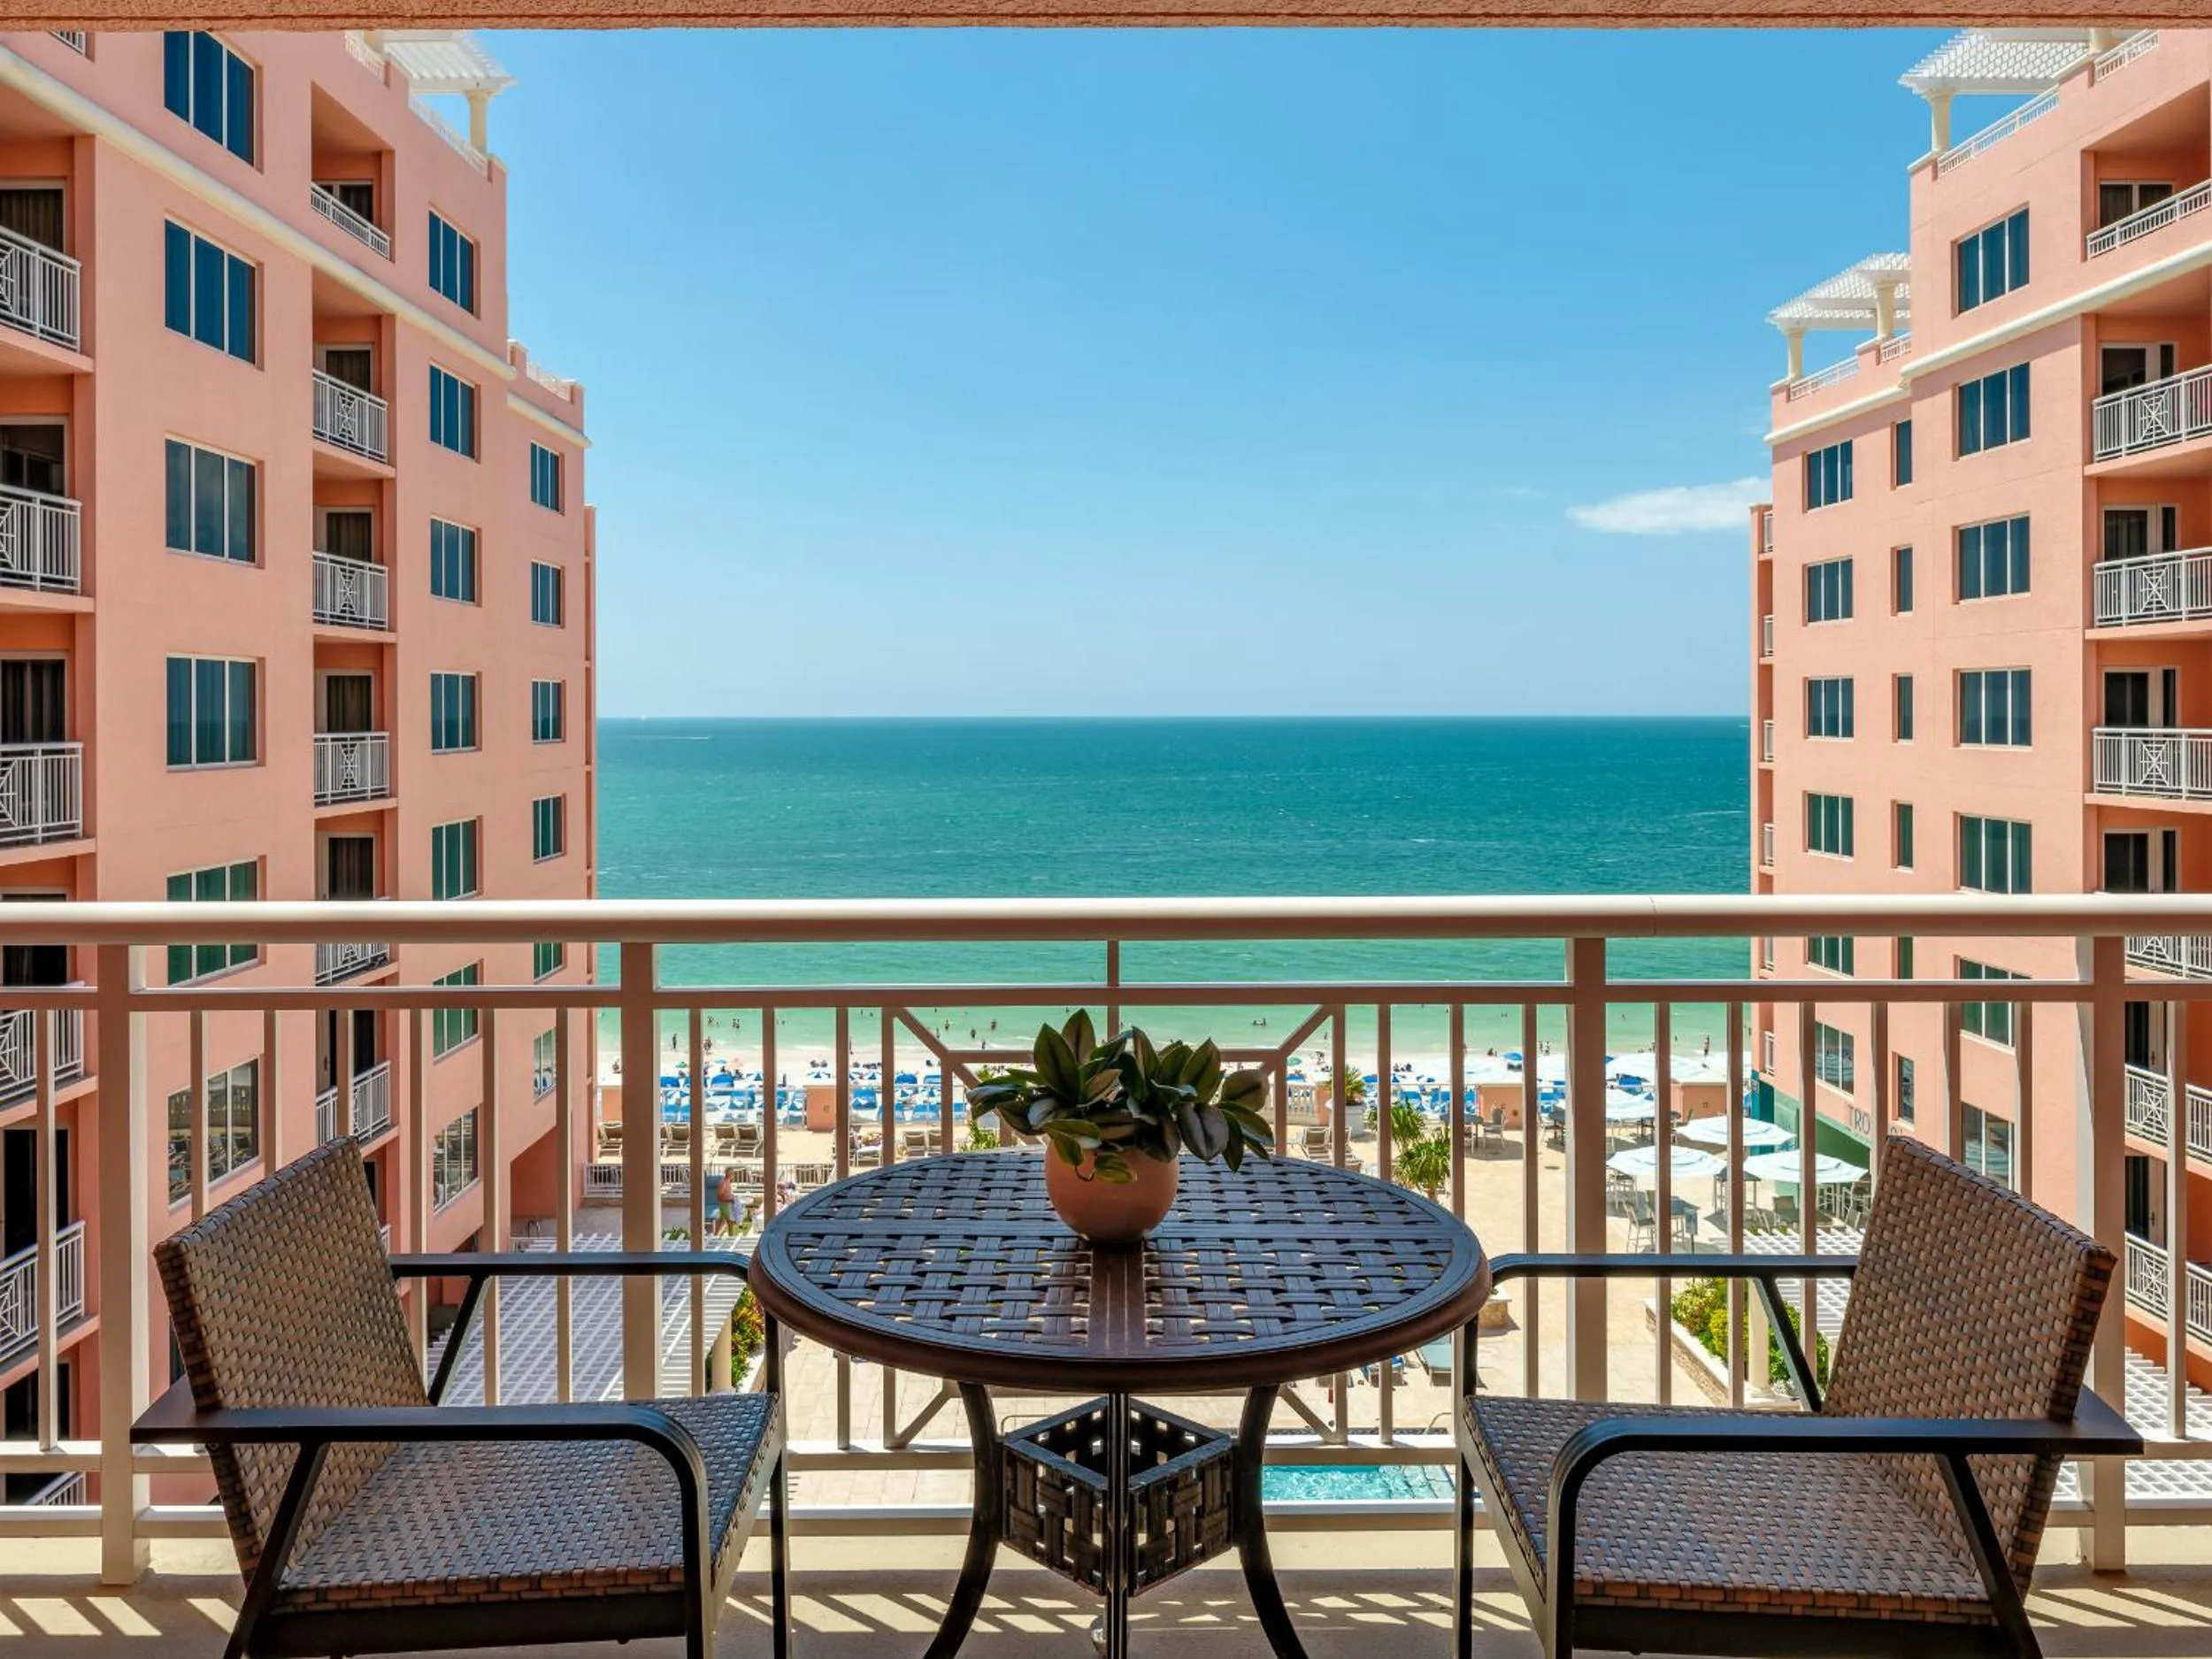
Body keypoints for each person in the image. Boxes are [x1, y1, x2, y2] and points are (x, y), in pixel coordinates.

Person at [714, 1166, 738, 1238]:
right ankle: (731, 1236)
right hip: (725, 1204)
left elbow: (727, 1193)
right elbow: (719, 1196)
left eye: (733, 1173)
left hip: (728, 1204)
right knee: (730, 1222)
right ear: (727, 1174)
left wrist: (732, 1198)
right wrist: (729, 1200)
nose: (733, 1175)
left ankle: (715, 1235)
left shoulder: (728, 1182)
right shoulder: (723, 1183)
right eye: (731, 1173)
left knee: (722, 1221)